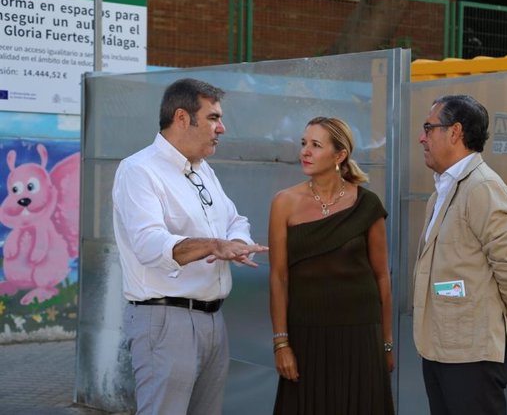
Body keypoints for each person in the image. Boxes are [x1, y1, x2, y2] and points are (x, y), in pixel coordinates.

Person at [112, 78, 268, 415]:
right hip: (165, 319)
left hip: (212, 321)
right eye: (213, 118)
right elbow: (148, 244)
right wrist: (214, 244)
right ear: (182, 118)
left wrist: (236, 244)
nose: (222, 128)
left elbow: (234, 220)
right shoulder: (139, 170)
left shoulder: (203, 170)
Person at [414, 95, 507, 415]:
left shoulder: (482, 188)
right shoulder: (443, 189)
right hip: (442, 350)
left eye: (429, 128)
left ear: (454, 132)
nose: (422, 137)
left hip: (471, 357)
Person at [269, 116, 395, 415]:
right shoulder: (283, 203)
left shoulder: (367, 205)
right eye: (303, 144)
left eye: (315, 145)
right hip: (306, 337)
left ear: (340, 155)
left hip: (360, 337)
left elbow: (382, 278)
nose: (305, 152)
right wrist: (281, 342)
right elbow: (278, 278)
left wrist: (386, 345)